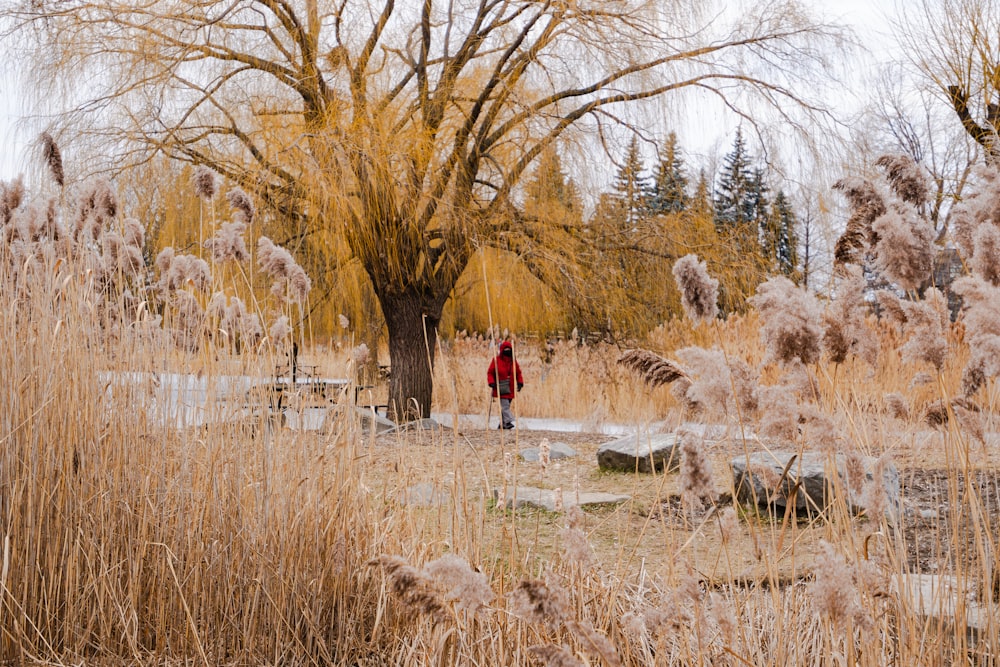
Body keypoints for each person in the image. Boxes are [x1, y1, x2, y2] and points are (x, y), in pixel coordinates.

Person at [487, 340, 524, 430]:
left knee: (505, 407)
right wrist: (491, 382)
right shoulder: (496, 360)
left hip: (510, 388)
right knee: (505, 406)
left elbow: (518, 373)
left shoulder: (513, 361)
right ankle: (509, 421)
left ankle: (502, 425)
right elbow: (490, 372)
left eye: (509, 349)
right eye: (505, 349)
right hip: (500, 387)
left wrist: (520, 383)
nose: (507, 351)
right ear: (502, 350)